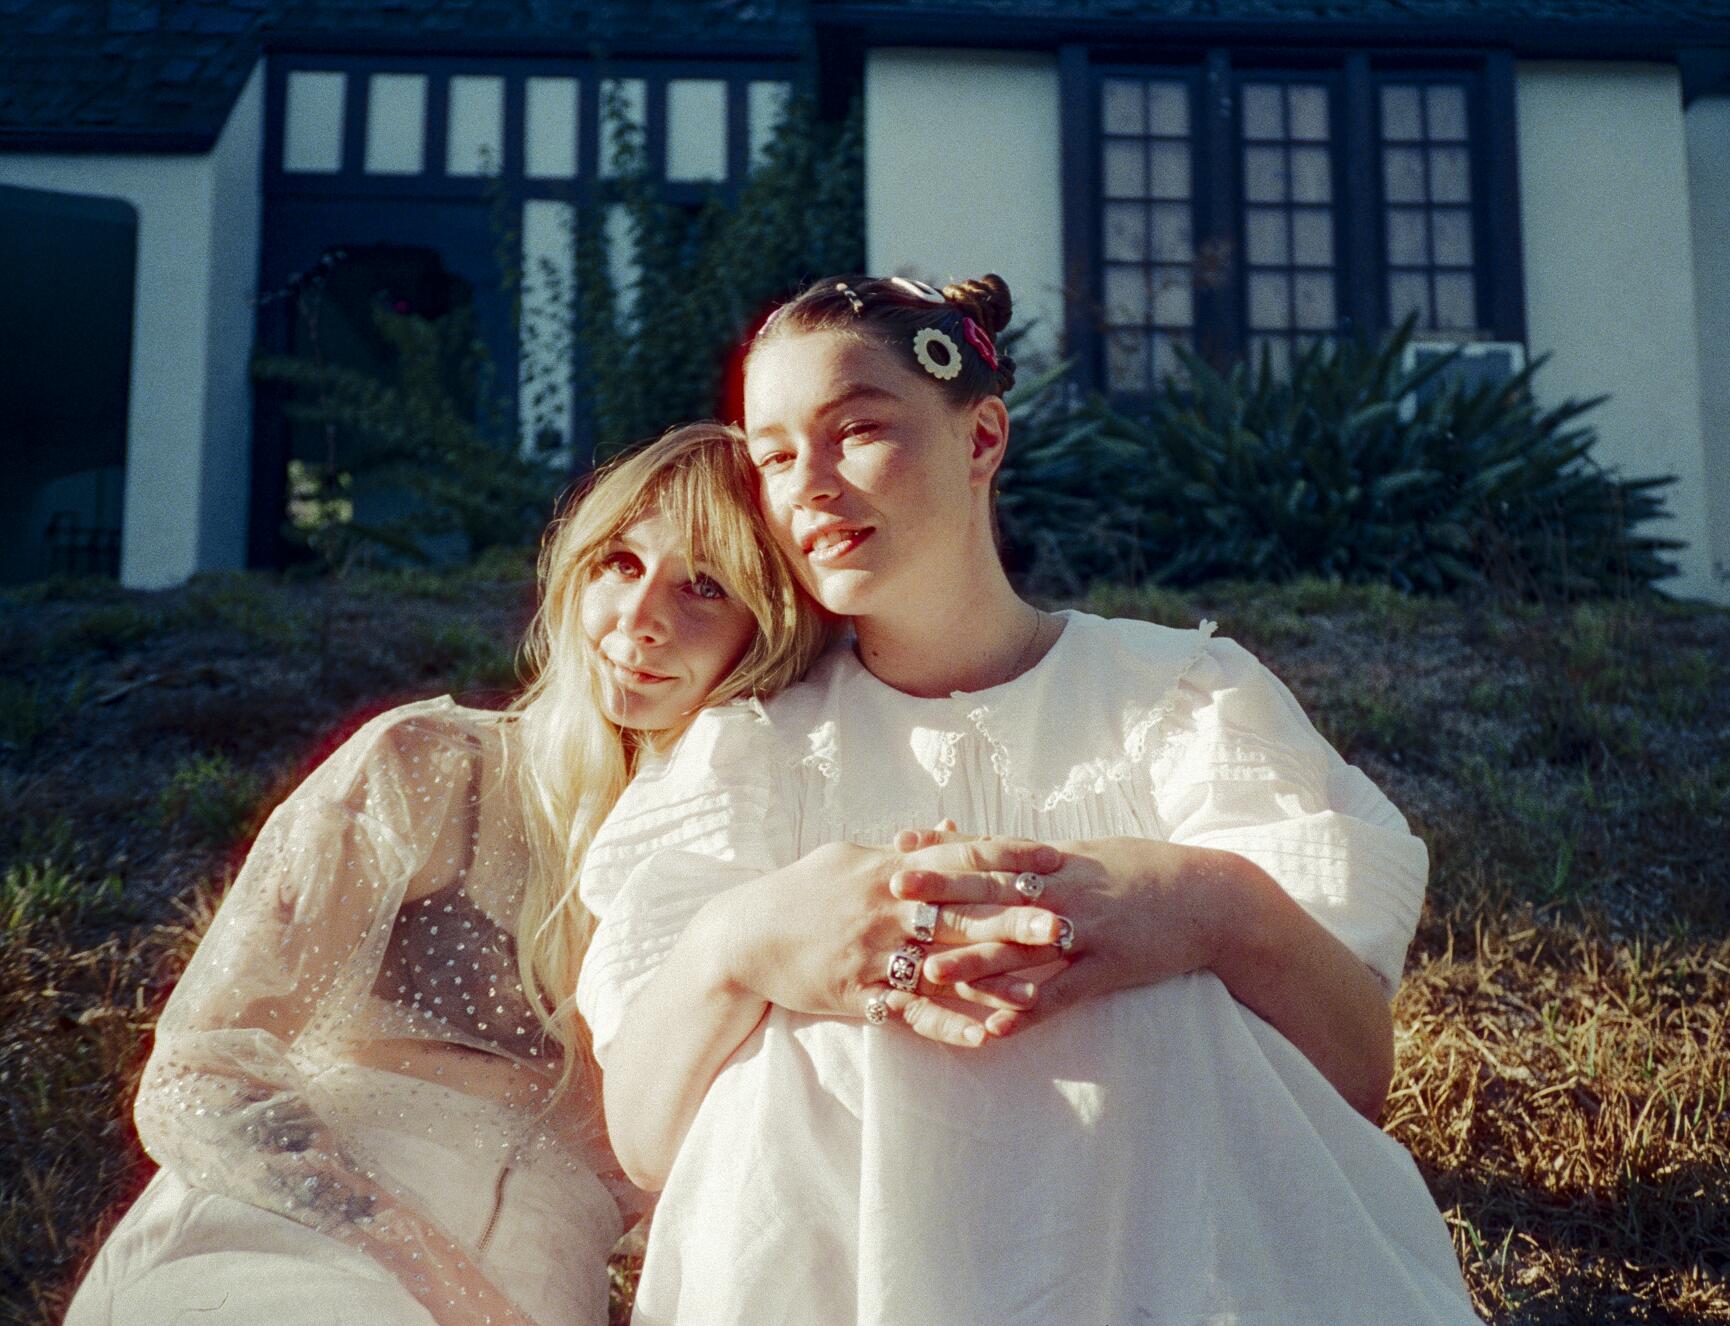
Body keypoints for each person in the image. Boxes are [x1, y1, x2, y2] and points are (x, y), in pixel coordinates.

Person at [576, 274, 1483, 1325]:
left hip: (1162, 1268)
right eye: (774, 456)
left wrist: (1209, 905)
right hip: (855, 1276)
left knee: (1162, 1004)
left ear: (981, 437)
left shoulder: (1182, 699)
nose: (809, 486)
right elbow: (647, 1142)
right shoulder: (754, 752)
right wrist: (746, 939)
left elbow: (1350, 1079)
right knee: (817, 1036)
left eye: (857, 430)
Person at [66, 423, 830, 1326]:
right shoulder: (430, 766)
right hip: (291, 1244)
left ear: (769, 627)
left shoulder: (756, 856)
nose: (639, 619)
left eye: (705, 586)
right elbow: (198, 1076)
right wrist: (453, 1295)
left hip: (542, 1275)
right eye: (621, 562)